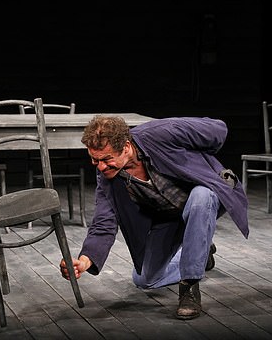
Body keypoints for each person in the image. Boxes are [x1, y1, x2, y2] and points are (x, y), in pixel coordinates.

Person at [59, 115, 249, 320]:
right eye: (95, 160)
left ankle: (189, 287)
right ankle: (201, 254)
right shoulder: (107, 178)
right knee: (144, 280)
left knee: (202, 195)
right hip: (167, 218)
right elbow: (104, 221)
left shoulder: (161, 134)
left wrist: (201, 163)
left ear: (126, 147)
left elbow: (217, 130)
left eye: (106, 159)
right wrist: (86, 260)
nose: (101, 166)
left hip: (203, 201)